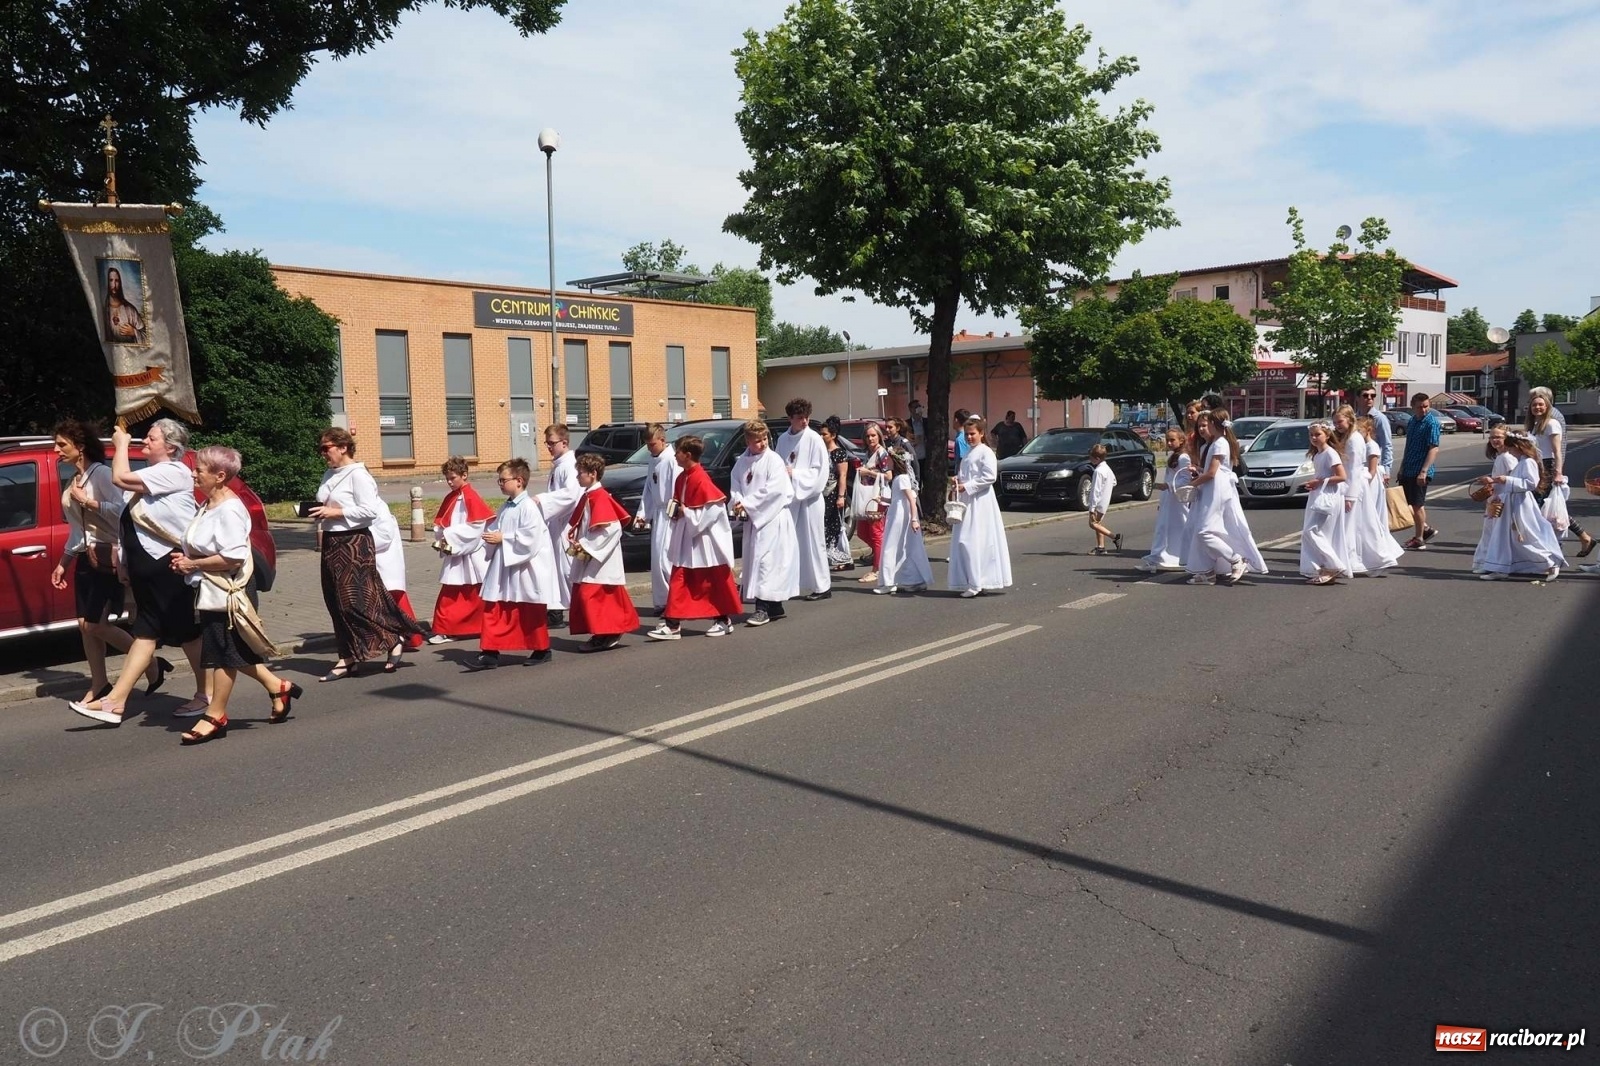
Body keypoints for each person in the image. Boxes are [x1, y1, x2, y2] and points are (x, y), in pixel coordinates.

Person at [69, 420, 205, 725]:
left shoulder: (173, 470)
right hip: (151, 568)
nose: (144, 440)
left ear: (170, 447)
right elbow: (131, 520)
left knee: (184, 633)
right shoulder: (154, 473)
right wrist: (127, 564)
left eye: (152, 438)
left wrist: (120, 444)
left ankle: (212, 693)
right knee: (147, 633)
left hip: (167, 567)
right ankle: (115, 702)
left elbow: (119, 478)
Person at [170, 446, 302, 744]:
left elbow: (233, 557)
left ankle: (215, 716)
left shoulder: (230, 509)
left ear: (219, 476)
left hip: (230, 591)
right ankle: (278, 686)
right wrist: (185, 557)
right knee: (231, 652)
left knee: (222, 656)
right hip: (212, 589)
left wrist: (192, 563)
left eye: (199, 470)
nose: (193, 473)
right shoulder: (208, 504)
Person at [50, 419, 168, 706]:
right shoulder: (73, 480)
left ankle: (151, 663)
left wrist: (91, 503)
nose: (56, 450)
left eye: (62, 445)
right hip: (85, 558)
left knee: (96, 626)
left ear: (80, 447)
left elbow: (122, 513)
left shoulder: (101, 475)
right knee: (83, 625)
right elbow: (78, 529)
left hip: (107, 559)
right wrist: (63, 561)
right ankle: (100, 683)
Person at [309, 426, 418, 681]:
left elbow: (369, 511)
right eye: (321, 449)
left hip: (354, 543)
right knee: (335, 602)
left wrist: (336, 513)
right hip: (332, 542)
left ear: (343, 447)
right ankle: (348, 657)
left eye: (326, 448)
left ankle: (392, 639)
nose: (323, 454)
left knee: (354, 602)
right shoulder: (329, 473)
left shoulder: (358, 475)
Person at [648, 435, 743, 639]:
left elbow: (714, 509)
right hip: (687, 537)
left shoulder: (701, 478)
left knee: (713, 581)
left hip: (704, 540)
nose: (675, 455)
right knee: (680, 579)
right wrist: (676, 512)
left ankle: (723, 619)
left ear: (688, 455)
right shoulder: (683, 477)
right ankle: (673, 624)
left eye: (678, 452)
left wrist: (687, 513)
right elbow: (679, 504)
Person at [474, 459, 559, 668]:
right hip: (503, 567)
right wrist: (489, 535)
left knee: (529, 611)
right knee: (494, 608)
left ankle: (541, 649)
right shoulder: (506, 506)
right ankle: (490, 652)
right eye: (499, 480)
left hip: (524, 569)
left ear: (519, 481)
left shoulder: (529, 507)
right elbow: (497, 526)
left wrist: (504, 538)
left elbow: (531, 538)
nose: (500, 483)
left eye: (503, 480)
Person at [565, 454, 641, 652]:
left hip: (600, 557)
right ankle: (604, 633)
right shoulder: (589, 495)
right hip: (590, 554)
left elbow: (613, 528)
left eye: (580, 473)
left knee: (593, 595)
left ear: (592, 474)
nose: (577, 477)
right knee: (592, 595)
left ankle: (607, 633)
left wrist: (587, 546)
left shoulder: (599, 497)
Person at [1183, 410, 1267, 585]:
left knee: (1204, 531)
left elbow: (1213, 473)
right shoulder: (1210, 445)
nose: (1204, 428)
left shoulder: (1221, 443)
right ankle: (1207, 571)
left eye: (1208, 424)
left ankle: (1237, 559)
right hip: (1210, 488)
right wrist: (1198, 471)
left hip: (1217, 489)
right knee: (1203, 530)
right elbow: (1210, 471)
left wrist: (1191, 484)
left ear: (1215, 425)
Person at [730, 420, 798, 626]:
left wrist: (748, 503)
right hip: (755, 519)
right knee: (758, 562)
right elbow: (735, 486)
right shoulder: (741, 462)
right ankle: (775, 606)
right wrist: (738, 501)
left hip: (773, 517)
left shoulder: (774, 460)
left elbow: (774, 490)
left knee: (767, 564)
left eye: (764, 439)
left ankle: (762, 608)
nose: (762, 443)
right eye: (757, 440)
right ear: (747, 441)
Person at [1474, 429, 1562, 581]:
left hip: (1521, 505)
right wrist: (1494, 481)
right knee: (1503, 537)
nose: (1508, 451)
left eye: (1510, 448)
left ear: (1519, 446)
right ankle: (1500, 568)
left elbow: (1530, 483)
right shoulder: (1521, 462)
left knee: (1527, 536)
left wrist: (1506, 480)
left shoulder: (1528, 462)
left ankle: (1550, 564)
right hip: (1511, 503)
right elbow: (1510, 481)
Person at [426, 457, 491, 644]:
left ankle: (474, 627)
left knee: (473, 594)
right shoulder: (451, 497)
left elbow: (476, 527)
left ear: (464, 475)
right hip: (456, 552)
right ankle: (446, 629)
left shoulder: (471, 497)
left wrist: (450, 535)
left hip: (470, 555)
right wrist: (442, 534)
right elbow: (442, 521)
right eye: (447, 478)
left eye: (452, 478)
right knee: (451, 592)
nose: (449, 481)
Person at [947, 416, 1012, 597]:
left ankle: (977, 583)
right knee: (965, 540)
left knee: (974, 540)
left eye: (972, 434)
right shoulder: (969, 452)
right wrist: (957, 480)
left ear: (981, 433)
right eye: (967, 434)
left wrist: (967, 486)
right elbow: (965, 473)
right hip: (967, 500)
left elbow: (990, 476)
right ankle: (974, 580)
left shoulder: (985, 452)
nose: (969, 438)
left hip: (980, 501)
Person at [1526, 386, 1594, 557]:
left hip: (1548, 468)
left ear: (1547, 405)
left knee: (1546, 507)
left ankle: (1557, 544)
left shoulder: (1551, 423)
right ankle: (1583, 538)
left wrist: (1558, 472)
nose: (1538, 407)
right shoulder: (1535, 424)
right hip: (1538, 467)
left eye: (1541, 404)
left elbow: (1557, 451)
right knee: (1549, 508)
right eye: (1534, 405)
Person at [774, 398, 831, 600]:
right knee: (790, 543)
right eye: (800, 418)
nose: (805, 422)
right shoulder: (782, 440)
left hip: (810, 499)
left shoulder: (814, 439)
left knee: (814, 542)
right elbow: (777, 467)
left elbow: (820, 471)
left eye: (807, 417)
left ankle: (822, 586)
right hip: (791, 499)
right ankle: (791, 585)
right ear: (790, 418)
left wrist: (795, 474)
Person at [534, 424, 582, 628]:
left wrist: (543, 500)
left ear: (564, 442)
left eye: (552, 443)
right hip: (556, 523)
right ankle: (556, 611)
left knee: (567, 569)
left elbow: (570, 495)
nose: (549, 447)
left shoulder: (570, 465)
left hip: (566, 524)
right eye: (547, 443)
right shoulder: (559, 465)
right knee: (555, 568)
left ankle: (577, 609)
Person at [1348, 414, 1404, 575]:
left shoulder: (1371, 446)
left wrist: (1361, 481)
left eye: (1360, 430)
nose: (1357, 433)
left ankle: (1380, 553)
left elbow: (1371, 471)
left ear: (1368, 430)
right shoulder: (1362, 444)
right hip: (1365, 482)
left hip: (1370, 484)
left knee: (1371, 518)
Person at [633, 423, 679, 612]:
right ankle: (662, 601)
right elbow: (649, 490)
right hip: (659, 515)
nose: (650, 448)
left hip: (670, 515)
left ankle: (673, 602)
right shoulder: (654, 460)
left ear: (663, 440)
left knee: (667, 560)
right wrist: (643, 514)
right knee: (657, 560)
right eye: (647, 445)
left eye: (652, 444)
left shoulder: (672, 460)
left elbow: (677, 488)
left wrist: (675, 511)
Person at [874, 449, 932, 594]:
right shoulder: (898, 478)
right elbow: (897, 499)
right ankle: (896, 580)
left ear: (896, 461)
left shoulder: (902, 478)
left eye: (889, 459)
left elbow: (911, 499)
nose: (886, 462)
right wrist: (884, 500)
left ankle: (888, 583)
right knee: (900, 546)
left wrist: (914, 519)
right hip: (896, 513)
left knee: (891, 545)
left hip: (901, 516)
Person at [1299, 421, 1350, 585]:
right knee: (1315, 532)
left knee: (1311, 531)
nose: (1314, 438)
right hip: (1319, 494)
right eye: (1311, 435)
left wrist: (1319, 482)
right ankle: (1324, 567)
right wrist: (1315, 483)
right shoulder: (1318, 454)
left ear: (1327, 435)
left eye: (1318, 434)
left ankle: (1333, 565)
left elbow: (1342, 476)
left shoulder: (1330, 453)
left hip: (1328, 496)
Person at [1137, 426, 1193, 572]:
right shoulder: (1174, 456)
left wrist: (1168, 485)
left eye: (1172, 440)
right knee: (1164, 528)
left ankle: (1180, 555)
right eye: (1167, 440)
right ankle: (1160, 556)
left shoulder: (1184, 457)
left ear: (1181, 440)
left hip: (1177, 499)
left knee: (1179, 526)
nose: (1168, 443)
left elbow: (1185, 479)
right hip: (1169, 498)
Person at [372, 506, 424, 651]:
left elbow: (385, 536)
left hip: (385, 562)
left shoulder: (379, 509)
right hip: (377, 562)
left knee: (394, 602)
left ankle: (406, 636)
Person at [1398, 394, 1442, 551]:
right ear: (1412, 406)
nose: (1423, 409)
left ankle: (1419, 538)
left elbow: (1433, 448)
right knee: (1404, 503)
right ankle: (1425, 529)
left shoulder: (1431, 423)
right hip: (1408, 468)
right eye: (1419, 406)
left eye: (1426, 406)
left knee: (1417, 504)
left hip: (1420, 470)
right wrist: (1402, 467)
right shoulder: (1412, 421)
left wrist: (1424, 471)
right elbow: (1408, 446)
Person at [853, 422, 892, 584]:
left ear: (879, 436)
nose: (870, 438)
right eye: (868, 436)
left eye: (873, 435)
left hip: (877, 497)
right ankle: (883, 555)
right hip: (867, 496)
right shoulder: (869, 453)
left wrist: (868, 472)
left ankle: (877, 569)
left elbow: (888, 476)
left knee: (876, 533)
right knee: (862, 531)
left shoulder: (882, 454)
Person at [819, 418, 854, 571]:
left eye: (824, 434)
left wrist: (841, 497)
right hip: (822, 493)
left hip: (833, 493)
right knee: (824, 525)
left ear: (832, 435)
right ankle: (830, 557)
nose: (821, 437)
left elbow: (842, 475)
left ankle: (843, 558)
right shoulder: (821, 451)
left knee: (834, 525)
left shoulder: (839, 453)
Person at [1086, 444, 1121, 555]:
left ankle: (1114, 536)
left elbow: (1095, 491)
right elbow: (1114, 482)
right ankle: (1101, 547)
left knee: (1092, 524)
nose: (1089, 459)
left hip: (1098, 503)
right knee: (1098, 524)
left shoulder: (1098, 471)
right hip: (1104, 502)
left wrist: (1092, 508)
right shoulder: (1107, 469)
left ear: (1096, 459)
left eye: (1090, 457)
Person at [1354, 386, 1393, 483]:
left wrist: (1386, 470)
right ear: (1357, 398)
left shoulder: (1379, 418)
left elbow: (1387, 445)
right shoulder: (1354, 418)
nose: (1370, 398)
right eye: (1365, 395)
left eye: (1373, 395)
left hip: (1374, 466)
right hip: (1358, 466)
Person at [103, 265, 145, 344]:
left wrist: (134, 332)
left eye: (117, 281)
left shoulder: (130, 310)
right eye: (111, 280)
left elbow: (146, 337)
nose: (114, 285)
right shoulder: (103, 309)